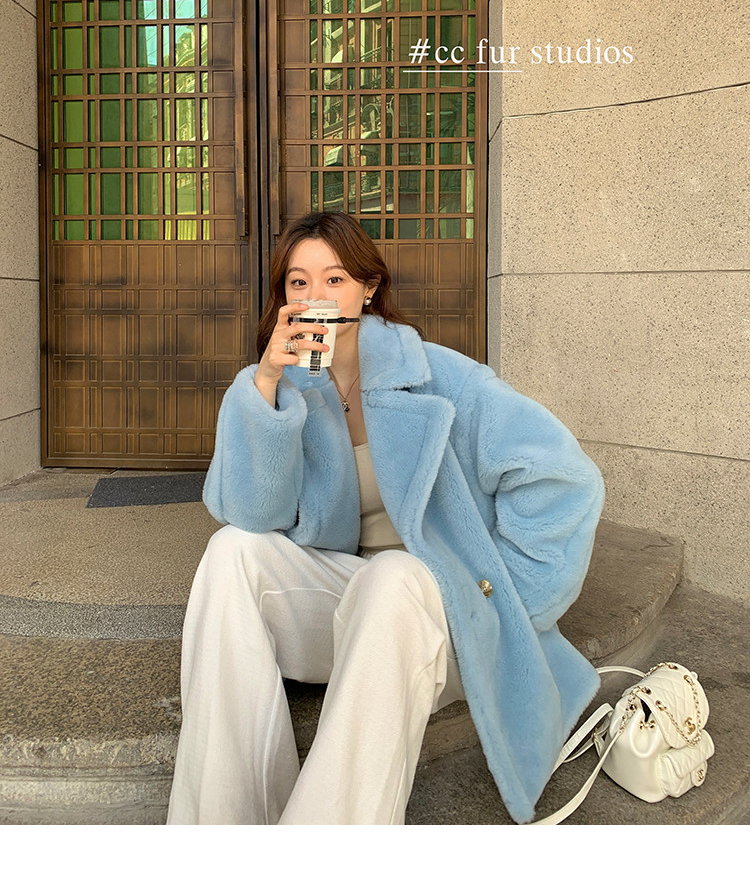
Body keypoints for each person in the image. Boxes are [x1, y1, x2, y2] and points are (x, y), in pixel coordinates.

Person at [166, 211, 605, 826]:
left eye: (334, 279)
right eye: (298, 282)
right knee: (232, 550)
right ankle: (221, 828)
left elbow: (564, 477)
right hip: (354, 613)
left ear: (368, 288)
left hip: (441, 619)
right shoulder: (279, 386)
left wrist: (506, 599)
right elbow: (252, 513)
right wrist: (265, 385)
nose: (316, 296)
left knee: (396, 574)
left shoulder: (440, 377)